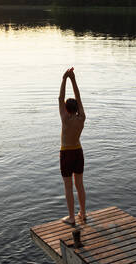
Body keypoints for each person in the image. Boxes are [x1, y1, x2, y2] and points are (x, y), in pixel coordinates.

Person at [58, 67, 86, 225]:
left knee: (68, 187)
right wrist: (73, 79)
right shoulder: (81, 117)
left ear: (66, 109)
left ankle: (71, 217)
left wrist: (64, 79)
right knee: (80, 184)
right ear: (76, 109)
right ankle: (83, 213)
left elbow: (60, 97)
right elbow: (79, 97)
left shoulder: (65, 119)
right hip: (78, 152)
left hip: (67, 154)